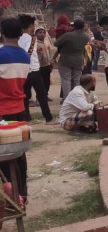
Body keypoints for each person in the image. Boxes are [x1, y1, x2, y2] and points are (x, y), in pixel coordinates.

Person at [0, 18, 31, 201]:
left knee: (4, 158)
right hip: (19, 108)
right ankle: (22, 193)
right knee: (18, 154)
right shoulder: (24, 55)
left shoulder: (1, 54)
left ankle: (14, 198)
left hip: (3, 111)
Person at [18, 15, 53, 123]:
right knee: (42, 94)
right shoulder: (30, 38)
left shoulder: (18, 38)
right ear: (30, 25)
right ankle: (48, 118)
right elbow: (27, 52)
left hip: (23, 71)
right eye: (34, 25)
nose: (34, 27)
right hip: (33, 70)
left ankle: (27, 117)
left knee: (25, 95)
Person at [54, 19, 90, 100]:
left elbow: (56, 43)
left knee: (66, 80)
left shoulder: (68, 35)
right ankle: (76, 98)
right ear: (83, 26)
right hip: (78, 60)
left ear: (74, 26)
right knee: (76, 80)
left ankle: (67, 99)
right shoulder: (86, 37)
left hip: (65, 60)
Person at [35, 26, 56, 102]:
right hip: (39, 66)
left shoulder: (47, 42)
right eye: (40, 32)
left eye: (43, 32)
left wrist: (51, 62)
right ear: (36, 34)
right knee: (40, 83)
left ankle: (45, 95)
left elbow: (51, 52)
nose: (42, 34)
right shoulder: (35, 44)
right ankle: (39, 98)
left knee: (47, 81)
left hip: (47, 65)